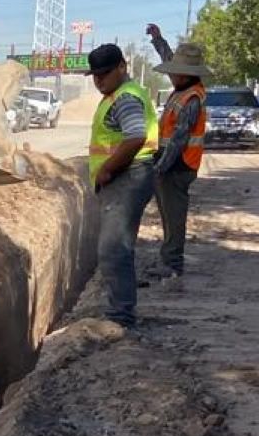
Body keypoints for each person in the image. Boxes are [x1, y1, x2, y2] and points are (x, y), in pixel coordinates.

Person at [85, 42, 159, 328]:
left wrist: (107, 169)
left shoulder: (125, 98)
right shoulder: (117, 95)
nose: (99, 80)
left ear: (122, 67)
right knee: (115, 246)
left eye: (104, 73)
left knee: (114, 248)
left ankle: (121, 317)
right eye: (95, 75)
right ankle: (120, 310)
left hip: (127, 176)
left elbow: (135, 137)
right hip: (127, 176)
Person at [144, 25, 213, 285]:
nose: (172, 76)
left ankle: (172, 264)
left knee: (174, 216)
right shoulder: (184, 90)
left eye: (176, 73)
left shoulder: (192, 99)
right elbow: (168, 58)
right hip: (171, 163)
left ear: (187, 75)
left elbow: (179, 139)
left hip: (179, 165)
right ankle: (167, 259)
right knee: (166, 214)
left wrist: (160, 167)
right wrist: (158, 40)